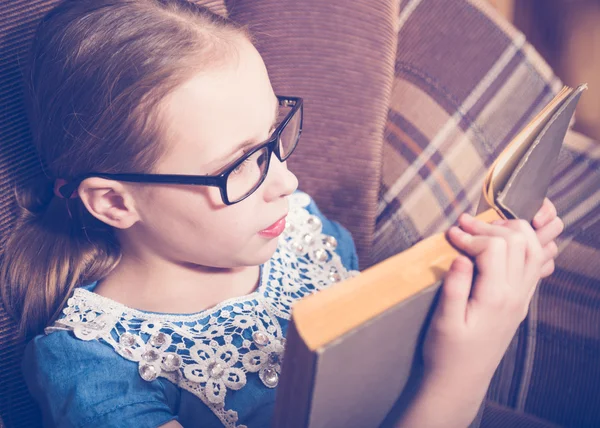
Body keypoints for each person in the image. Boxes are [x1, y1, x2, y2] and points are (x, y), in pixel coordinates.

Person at [0, 0, 564, 427]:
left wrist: (479, 276)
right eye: (240, 165)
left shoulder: (300, 229)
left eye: (274, 137)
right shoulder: (94, 370)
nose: (288, 182)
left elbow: (380, 349)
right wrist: (465, 370)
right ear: (115, 201)